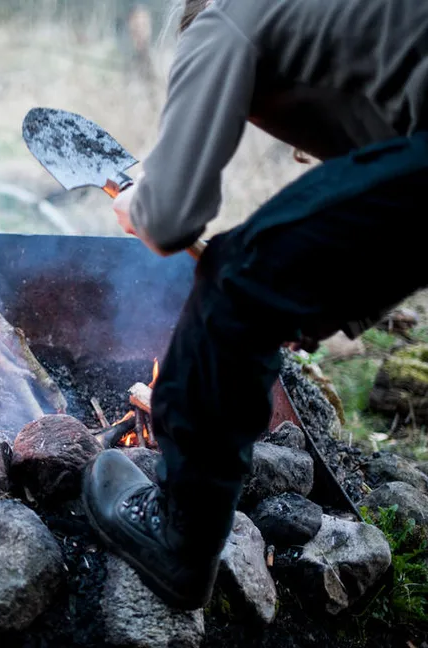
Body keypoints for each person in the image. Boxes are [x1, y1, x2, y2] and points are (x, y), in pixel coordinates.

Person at [81, 0, 428, 611]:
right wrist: (299, 303)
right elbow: (386, 216)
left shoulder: (224, 16)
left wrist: (138, 202)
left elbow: (169, 218)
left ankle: (177, 533)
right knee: (256, 277)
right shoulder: (354, 31)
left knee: (234, 277)